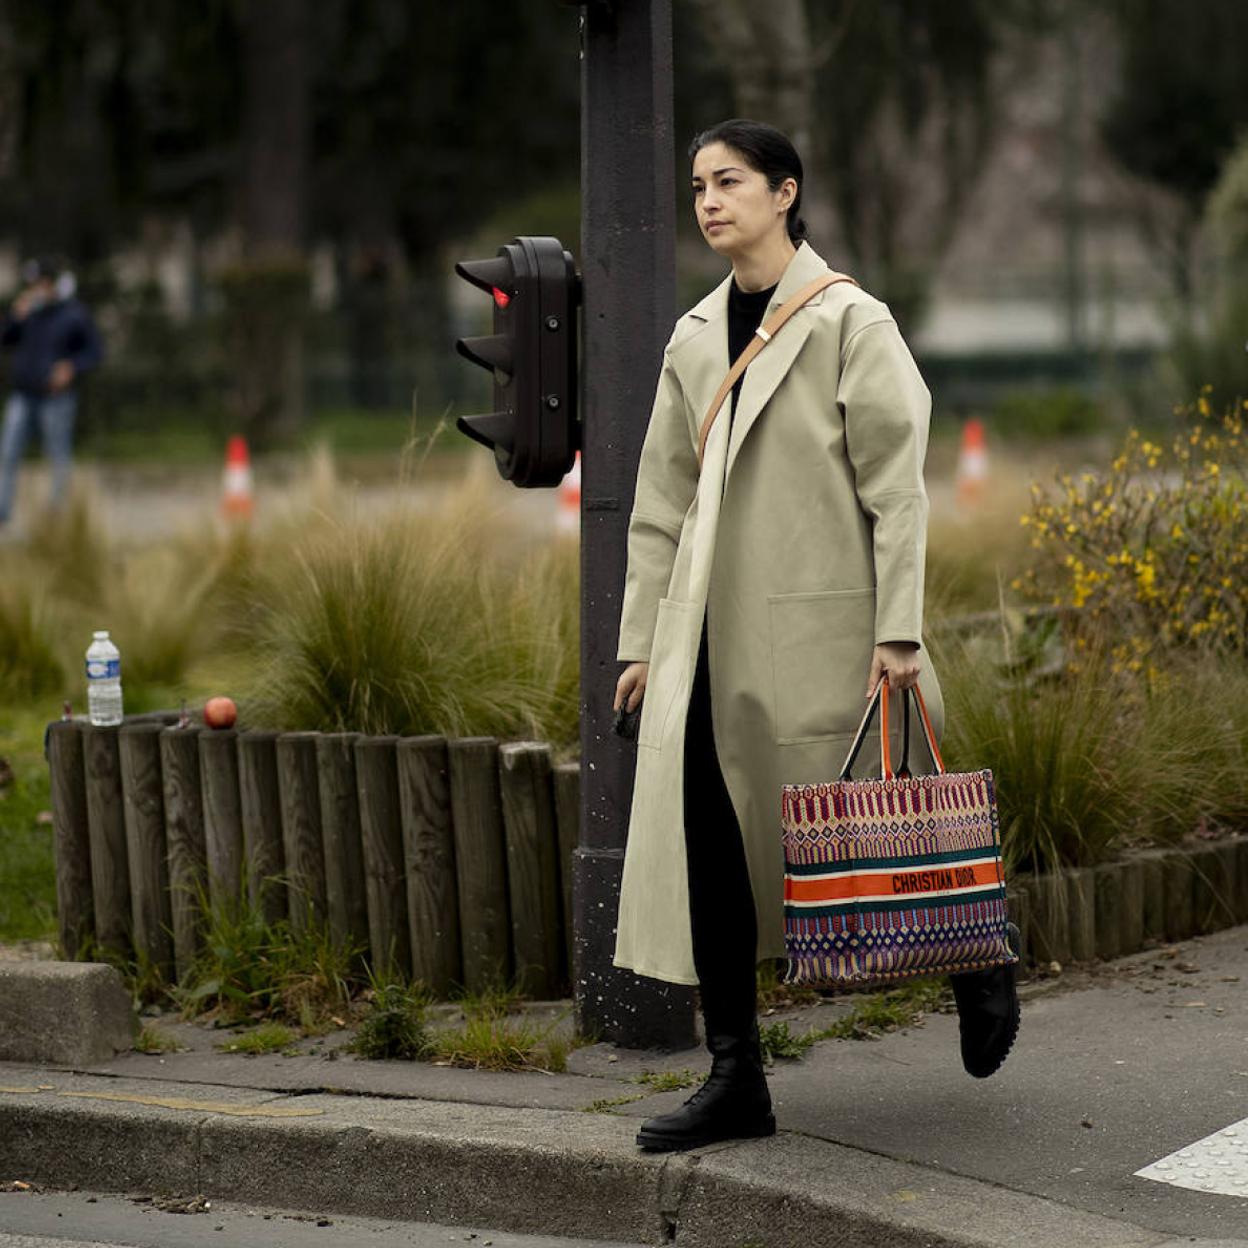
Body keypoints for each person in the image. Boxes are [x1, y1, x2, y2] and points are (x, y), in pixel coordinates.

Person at [611, 119, 1020, 1153]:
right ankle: (736, 1078)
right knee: (711, 850)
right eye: (699, 185)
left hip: (828, 634)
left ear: (785, 192)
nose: (710, 201)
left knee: (881, 824)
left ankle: (979, 960)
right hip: (707, 640)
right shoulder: (695, 336)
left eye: (731, 181)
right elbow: (659, 501)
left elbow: (899, 490)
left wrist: (900, 629)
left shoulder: (851, 321)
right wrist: (640, 645)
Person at [0, 255, 104, 527]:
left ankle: (55, 517)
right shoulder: (27, 313)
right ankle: (2, 511)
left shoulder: (74, 314)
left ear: (53, 284)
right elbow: (5, 340)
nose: (36, 290)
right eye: (33, 284)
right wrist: (14, 318)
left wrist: (72, 367)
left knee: (57, 455)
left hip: (56, 399)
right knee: (8, 452)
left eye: (42, 284)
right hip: (23, 393)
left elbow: (94, 352)